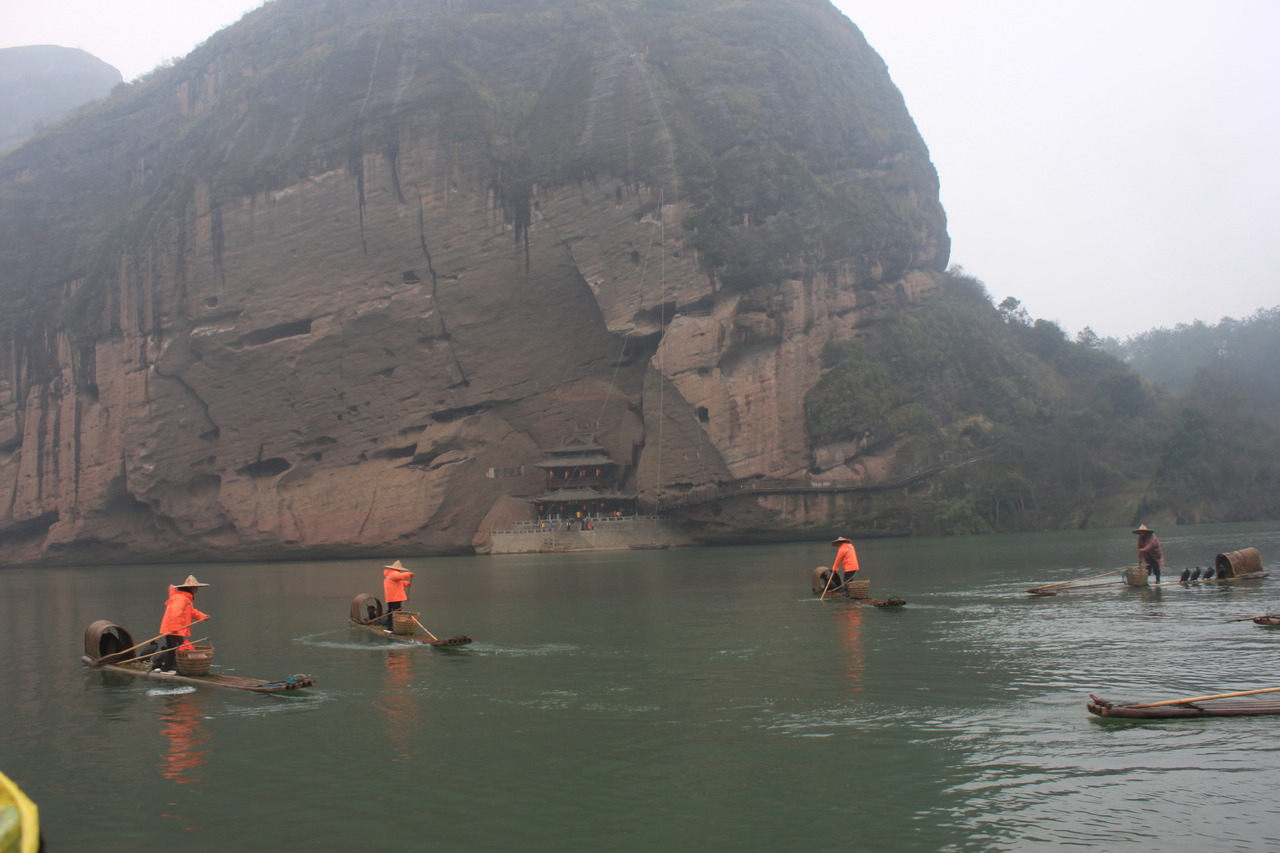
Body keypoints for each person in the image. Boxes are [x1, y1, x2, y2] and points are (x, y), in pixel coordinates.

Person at [152, 575, 210, 673]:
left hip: (175, 628)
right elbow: (175, 613)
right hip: (174, 628)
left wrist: (203, 616)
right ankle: (168, 668)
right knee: (178, 648)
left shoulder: (186, 598)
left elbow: (191, 611)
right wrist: (174, 628)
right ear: (191, 588)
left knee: (174, 648)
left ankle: (170, 666)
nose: (196, 590)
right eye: (195, 588)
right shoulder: (181, 598)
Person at [382, 559, 414, 633]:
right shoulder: (394, 574)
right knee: (397, 613)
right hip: (395, 597)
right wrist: (409, 574)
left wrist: (407, 584)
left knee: (391, 611)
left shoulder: (390, 575)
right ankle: (393, 628)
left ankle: (390, 627)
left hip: (391, 597)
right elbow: (401, 576)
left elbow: (400, 582)